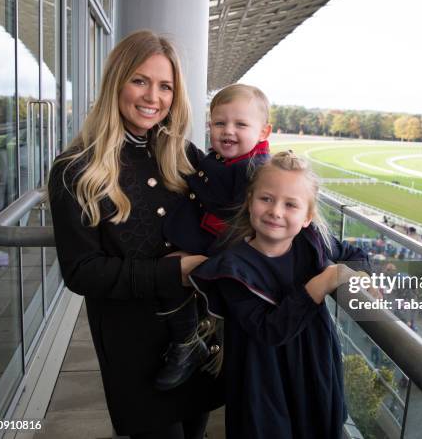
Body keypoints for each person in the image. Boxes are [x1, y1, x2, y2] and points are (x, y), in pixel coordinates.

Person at [48, 30, 223, 438]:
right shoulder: (76, 169)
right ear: (116, 82)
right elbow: (81, 272)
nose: (153, 97)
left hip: (196, 337)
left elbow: (237, 203)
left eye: (165, 86)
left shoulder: (181, 155)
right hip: (135, 347)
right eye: (140, 80)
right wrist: (173, 273)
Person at [190, 152, 371, 439]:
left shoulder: (314, 242)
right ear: (250, 201)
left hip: (313, 368)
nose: (276, 211)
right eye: (266, 199)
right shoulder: (232, 268)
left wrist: (363, 279)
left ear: (307, 217)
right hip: (262, 381)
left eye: (290, 205)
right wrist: (323, 282)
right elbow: (269, 330)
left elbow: (356, 255)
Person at [154, 84, 272, 390]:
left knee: (171, 272)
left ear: (264, 132)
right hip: (211, 240)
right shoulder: (223, 160)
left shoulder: (257, 171)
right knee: (168, 272)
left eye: (241, 124)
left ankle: (189, 342)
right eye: (220, 123)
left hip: (231, 252)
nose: (228, 131)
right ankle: (192, 340)